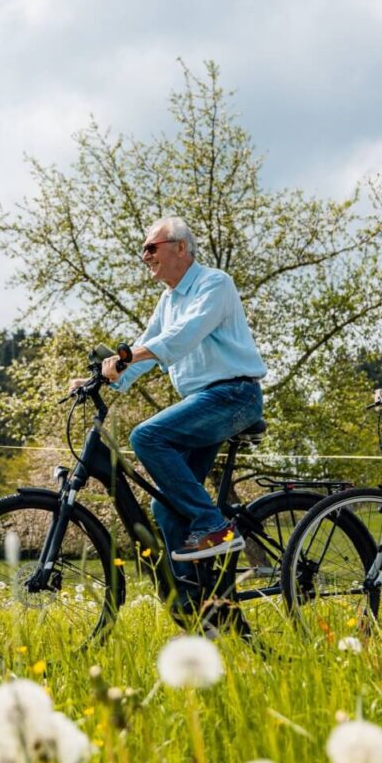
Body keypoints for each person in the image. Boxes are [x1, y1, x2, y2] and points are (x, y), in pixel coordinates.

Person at [76, 216, 266, 580]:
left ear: (181, 247)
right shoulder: (168, 300)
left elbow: (183, 335)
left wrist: (129, 356)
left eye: (151, 247)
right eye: (142, 250)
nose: (145, 256)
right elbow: (142, 350)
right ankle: (200, 606)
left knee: (147, 436)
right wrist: (98, 378)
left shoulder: (214, 284)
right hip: (204, 404)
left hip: (234, 395)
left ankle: (213, 525)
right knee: (165, 508)